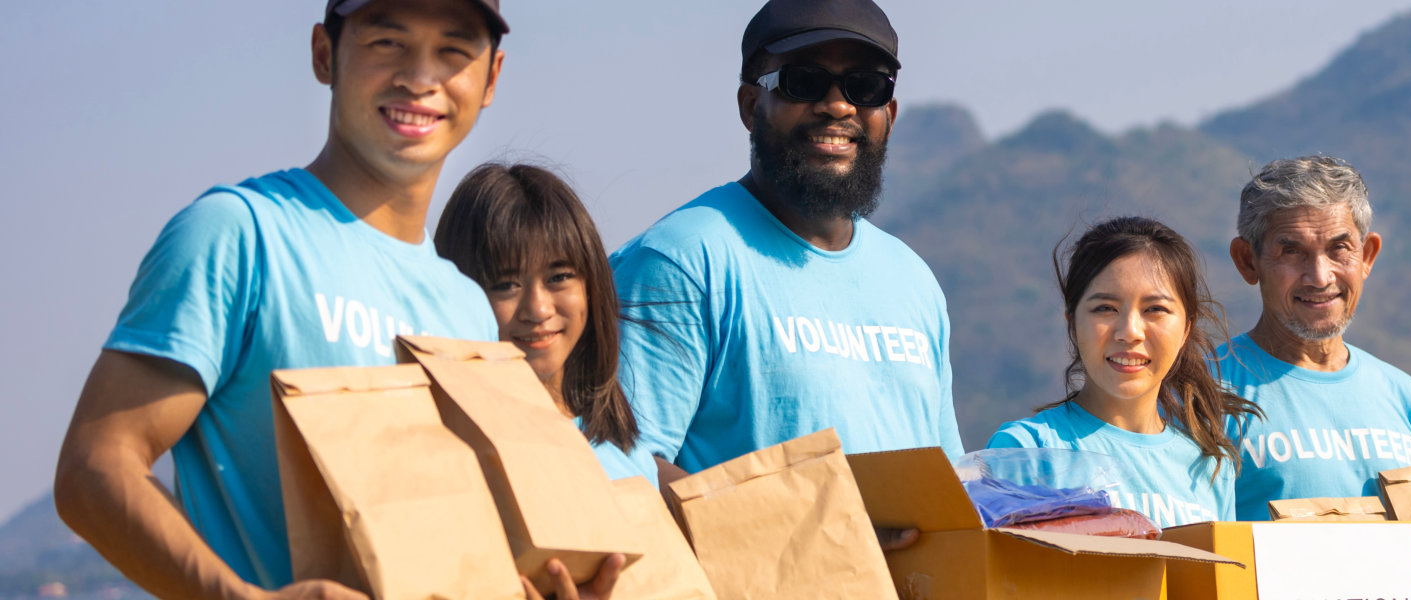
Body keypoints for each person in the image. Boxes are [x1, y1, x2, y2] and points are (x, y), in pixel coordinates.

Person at [52, 2, 618, 598]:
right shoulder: (239, 235)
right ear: (325, 54)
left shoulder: (468, 310)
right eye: (387, 43)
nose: (419, 77)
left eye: (452, 51)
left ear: (491, 79)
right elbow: (93, 468)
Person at [611, 0, 962, 489]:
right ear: (751, 106)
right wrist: (821, 526)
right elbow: (622, 465)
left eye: (865, 86)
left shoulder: (913, 280)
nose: (838, 106)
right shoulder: (682, 260)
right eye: (804, 81)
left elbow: (949, 476)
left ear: (890, 113)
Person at [988, 217, 1262, 529]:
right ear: (1072, 323)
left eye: (1154, 309)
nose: (1129, 332)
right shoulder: (1024, 452)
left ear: (1186, 327)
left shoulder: (1211, 466)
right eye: (1105, 308)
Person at [1220, 156, 1411, 519]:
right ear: (1248, 261)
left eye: (1339, 249)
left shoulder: (1403, 396)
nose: (1320, 276)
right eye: (1291, 251)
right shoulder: (1204, 392)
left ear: (1367, 255)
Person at [435, 163, 657, 484]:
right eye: (506, 284)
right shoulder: (451, 453)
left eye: (558, 277)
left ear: (591, 286)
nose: (537, 309)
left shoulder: (629, 459)